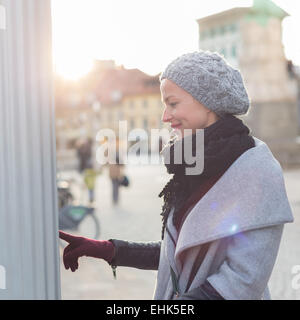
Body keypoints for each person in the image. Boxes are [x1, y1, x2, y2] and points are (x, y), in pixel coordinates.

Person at [59, 51, 294, 300]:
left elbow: (243, 281)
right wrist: (108, 250)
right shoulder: (191, 167)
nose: (165, 116)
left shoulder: (257, 170)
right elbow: (181, 254)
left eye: (172, 103)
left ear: (208, 102)